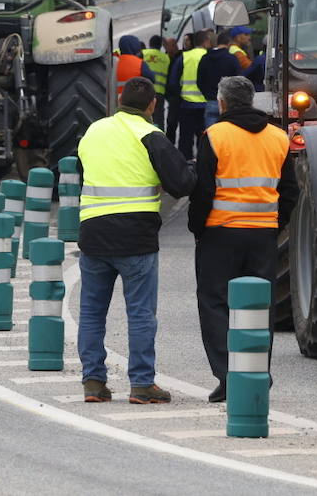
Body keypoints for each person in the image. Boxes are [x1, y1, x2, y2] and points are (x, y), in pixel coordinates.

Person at [76, 77, 196, 405]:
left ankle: (93, 383)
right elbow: (182, 183)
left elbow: (81, 169)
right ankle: (142, 384)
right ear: (152, 106)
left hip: (93, 234)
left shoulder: (94, 131)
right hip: (136, 238)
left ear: (119, 100)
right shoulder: (150, 136)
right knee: (141, 313)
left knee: (91, 311)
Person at [190, 76, 298, 403]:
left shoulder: (215, 136)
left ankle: (227, 376)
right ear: (252, 101)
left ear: (222, 103)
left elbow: (203, 190)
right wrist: (274, 225)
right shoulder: (279, 138)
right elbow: (291, 191)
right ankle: (255, 373)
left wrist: (199, 228)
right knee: (257, 306)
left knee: (215, 302)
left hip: (220, 232)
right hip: (263, 234)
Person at [172, 30, 209, 158]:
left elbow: (173, 81)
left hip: (187, 104)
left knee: (185, 139)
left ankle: (185, 165)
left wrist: (179, 96)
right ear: (206, 41)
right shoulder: (209, 56)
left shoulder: (185, 57)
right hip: (205, 104)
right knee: (204, 138)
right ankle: (201, 165)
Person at [198, 28, 242, 127]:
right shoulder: (232, 59)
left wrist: (208, 94)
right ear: (229, 43)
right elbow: (239, 80)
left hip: (211, 101)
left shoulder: (205, 58)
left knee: (211, 135)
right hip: (229, 103)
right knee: (227, 134)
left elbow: (199, 81)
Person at [141, 36, 170, 128]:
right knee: (158, 118)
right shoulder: (165, 58)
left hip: (144, 91)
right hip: (159, 92)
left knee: (143, 117)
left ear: (149, 44)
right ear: (160, 45)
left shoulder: (143, 53)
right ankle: (158, 136)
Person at [114, 34, 150, 99]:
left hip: (114, 101)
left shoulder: (113, 62)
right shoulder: (139, 63)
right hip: (133, 101)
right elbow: (152, 78)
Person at [162, 37, 181, 142]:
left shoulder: (180, 57)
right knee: (171, 122)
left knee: (174, 121)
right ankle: (170, 143)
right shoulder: (166, 57)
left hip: (178, 94)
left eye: (167, 46)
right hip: (171, 95)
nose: (166, 48)